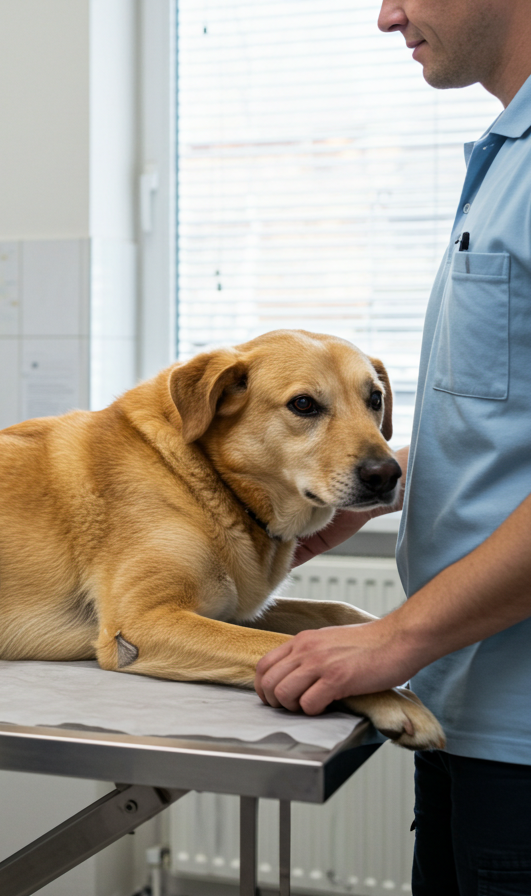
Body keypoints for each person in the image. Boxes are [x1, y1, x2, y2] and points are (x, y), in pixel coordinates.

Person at [254, 2, 531, 892]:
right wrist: (377, 484)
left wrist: (397, 638)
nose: (387, 15)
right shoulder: (506, 158)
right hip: (465, 709)